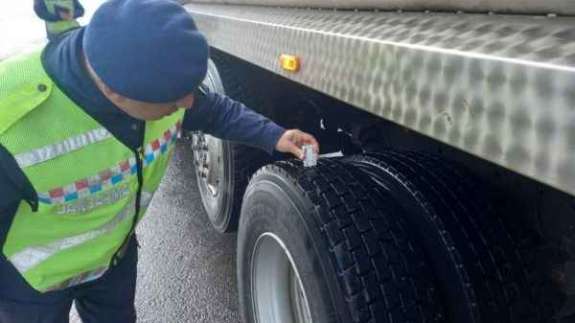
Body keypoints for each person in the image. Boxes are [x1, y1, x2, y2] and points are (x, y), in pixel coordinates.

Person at [0, 0, 319, 322]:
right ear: (115, 93)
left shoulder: (152, 85)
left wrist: (274, 135)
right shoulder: (11, 125)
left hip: (113, 260)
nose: (188, 103)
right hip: (32, 286)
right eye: (174, 99)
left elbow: (213, 110)